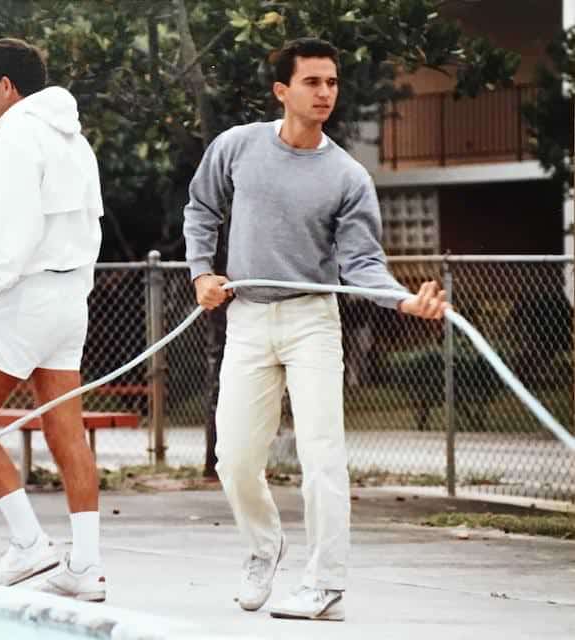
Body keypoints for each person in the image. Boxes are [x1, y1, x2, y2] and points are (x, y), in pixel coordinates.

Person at [182, 37, 447, 621]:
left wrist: (405, 302)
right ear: (283, 90)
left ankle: (326, 586)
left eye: (332, 82)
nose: (325, 92)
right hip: (248, 317)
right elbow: (201, 208)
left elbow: (362, 264)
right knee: (234, 458)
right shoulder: (238, 148)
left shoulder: (347, 176)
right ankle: (263, 547)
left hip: (311, 322)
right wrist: (202, 271)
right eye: (312, 82)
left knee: (322, 457)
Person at [0, 38, 106, 602]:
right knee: (66, 427)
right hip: (69, 299)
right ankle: (85, 566)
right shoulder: (75, 139)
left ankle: (29, 545)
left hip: (22, 295)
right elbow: (91, 224)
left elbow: (6, 228)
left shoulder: (16, 135)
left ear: (7, 87)